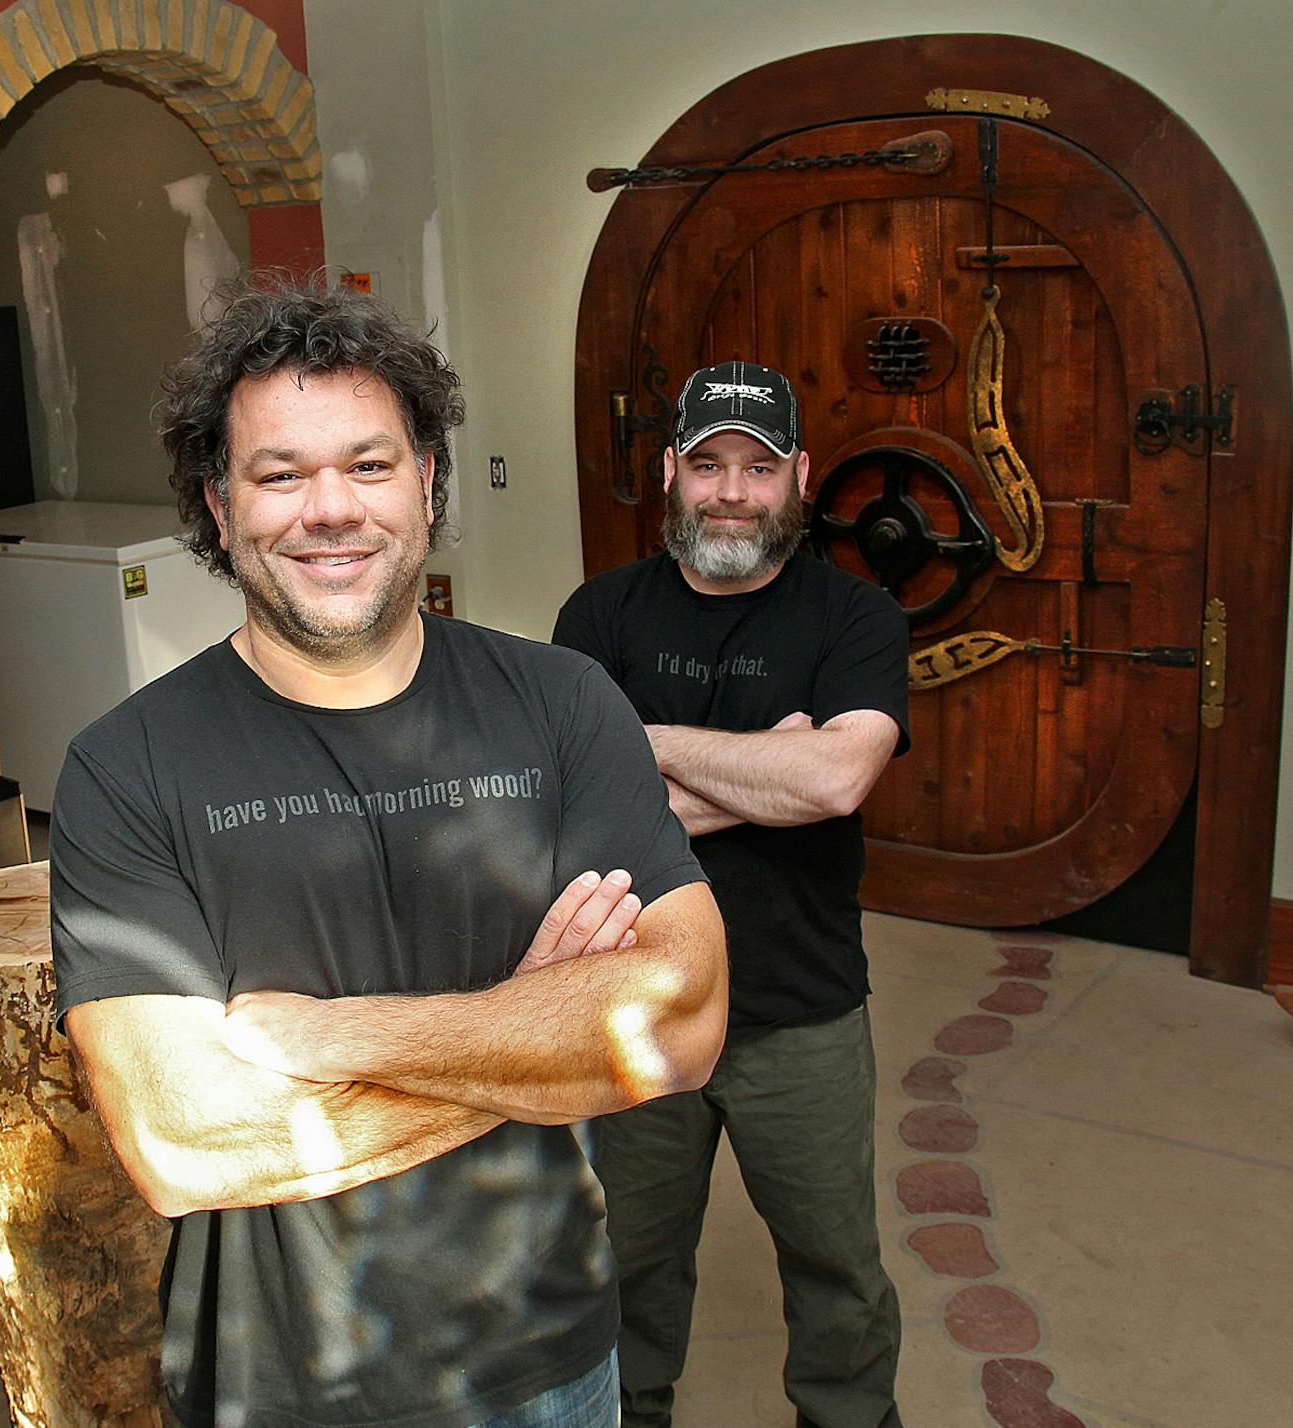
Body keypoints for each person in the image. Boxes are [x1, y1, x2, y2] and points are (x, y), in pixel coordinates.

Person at [49, 279, 729, 1428]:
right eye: (279, 474)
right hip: (284, 1382)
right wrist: (532, 1033)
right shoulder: (128, 768)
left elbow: (677, 1021)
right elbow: (183, 1143)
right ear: (220, 507)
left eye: (369, 465)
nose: (329, 508)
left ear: (427, 484)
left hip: (552, 1356)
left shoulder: (562, 704)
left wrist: (321, 1035)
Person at [553, 361, 910, 1428]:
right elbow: (581, 824)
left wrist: (647, 745)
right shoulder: (601, 617)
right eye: (707, 464)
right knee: (628, 1262)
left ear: (797, 476)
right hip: (634, 1007)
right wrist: (772, 769)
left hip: (800, 1009)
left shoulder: (855, 618)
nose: (731, 492)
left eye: (758, 468)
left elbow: (840, 777)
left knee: (836, 1266)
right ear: (670, 472)